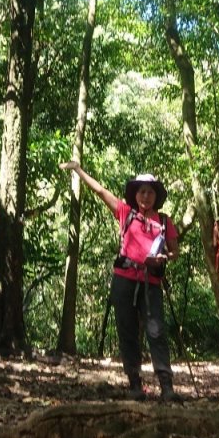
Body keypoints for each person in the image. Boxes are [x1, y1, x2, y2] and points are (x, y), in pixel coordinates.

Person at [59, 161, 181, 401]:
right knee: (127, 332)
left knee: (156, 332)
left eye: (150, 192)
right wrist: (78, 170)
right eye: (142, 191)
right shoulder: (126, 213)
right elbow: (100, 191)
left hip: (151, 283)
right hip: (124, 280)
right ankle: (134, 383)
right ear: (135, 195)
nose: (146, 196)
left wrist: (164, 257)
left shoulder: (165, 222)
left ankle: (167, 386)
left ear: (156, 196)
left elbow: (174, 252)